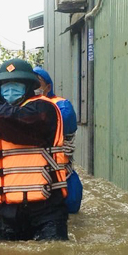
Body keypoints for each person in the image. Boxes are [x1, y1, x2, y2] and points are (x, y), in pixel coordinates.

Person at [0, 58, 69, 241]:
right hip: (7, 211)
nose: (10, 89)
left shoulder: (43, 109)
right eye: (5, 85)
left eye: (16, 84)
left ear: (29, 86)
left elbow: (16, 121)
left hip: (46, 209)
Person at [33, 66, 82, 214]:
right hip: (33, 177)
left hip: (62, 176)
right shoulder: (18, 106)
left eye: (37, 81)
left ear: (48, 87)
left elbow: (62, 123)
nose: (33, 85)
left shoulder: (62, 105)